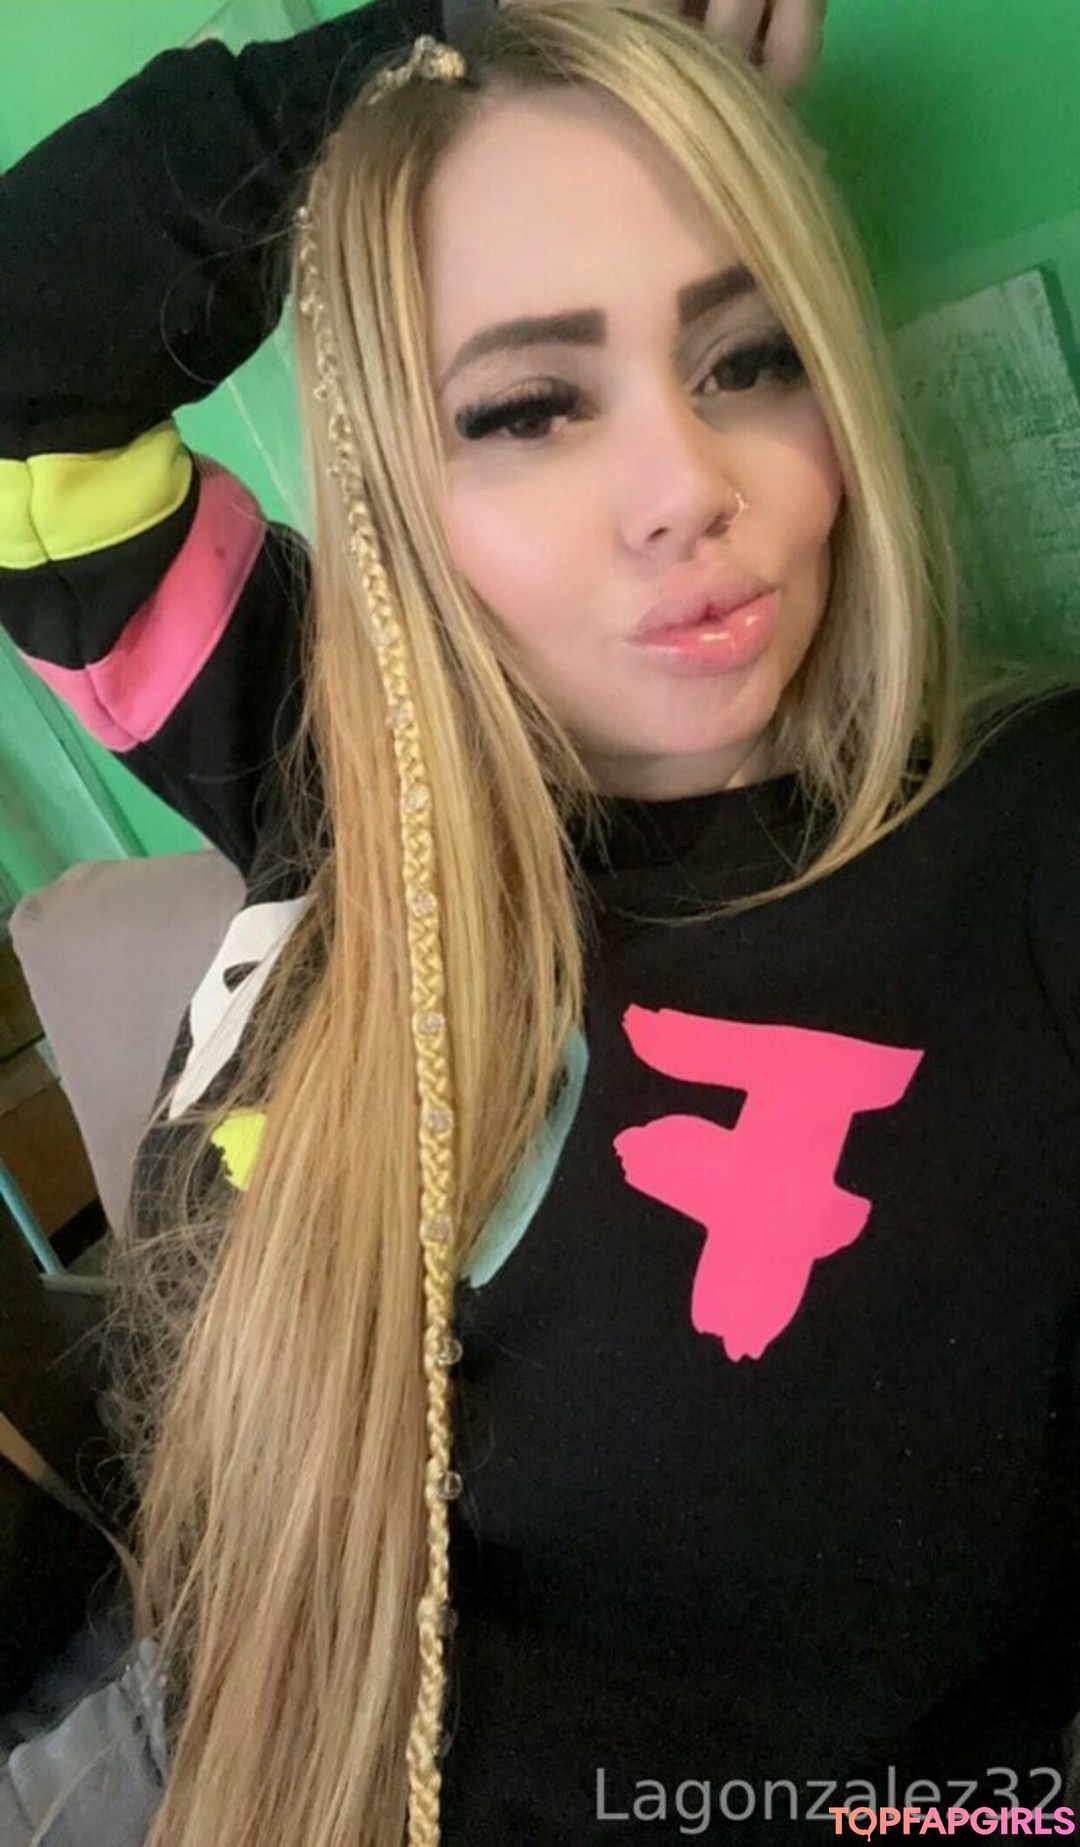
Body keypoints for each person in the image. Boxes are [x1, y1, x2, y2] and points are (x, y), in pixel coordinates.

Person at [1, 0, 1079, 1842]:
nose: (691, 493)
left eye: (750, 359)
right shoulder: (323, 745)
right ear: (400, 497)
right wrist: (445, 31)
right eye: (530, 406)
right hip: (167, 1741)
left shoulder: (1027, 843)